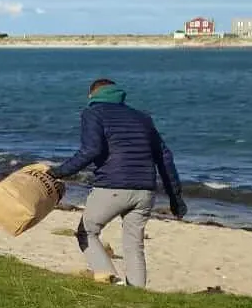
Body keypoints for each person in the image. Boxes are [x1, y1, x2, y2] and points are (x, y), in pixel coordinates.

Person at [48, 78, 184, 288]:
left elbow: (91, 150)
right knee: (134, 244)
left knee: (87, 232)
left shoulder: (93, 113)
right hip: (145, 191)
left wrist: (58, 172)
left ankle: (109, 280)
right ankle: (136, 293)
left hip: (112, 187)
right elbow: (164, 157)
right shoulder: (143, 118)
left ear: (91, 95)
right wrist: (176, 199)